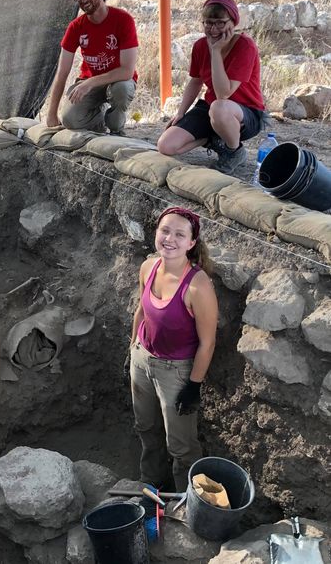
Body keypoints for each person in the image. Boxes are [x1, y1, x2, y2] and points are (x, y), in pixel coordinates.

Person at [128, 207, 218, 492]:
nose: (170, 239)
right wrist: (133, 347)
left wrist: (193, 386)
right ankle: (152, 484)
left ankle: (185, 499)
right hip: (142, 360)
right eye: (165, 231)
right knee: (146, 427)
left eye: (180, 234)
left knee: (181, 445)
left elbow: (207, 343)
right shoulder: (148, 267)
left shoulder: (197, 286)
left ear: (192, 243)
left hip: (176, 372)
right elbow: (141, 309)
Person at [157, 0, 267, 174]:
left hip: (245, 113)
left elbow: (224, 93)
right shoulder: (200, 45)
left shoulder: (245, 46)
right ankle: (212, 138)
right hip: (211, 108)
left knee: (219, 107)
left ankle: (234, 151)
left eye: (220, 23)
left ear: (233, 22)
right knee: (166, 146)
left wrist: (215, 51)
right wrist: (180, 113)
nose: (213, 29)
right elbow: (195, 81)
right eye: (208, 23)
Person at [45, 0, 138, 134]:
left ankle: (116, 126)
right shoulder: (75, 27)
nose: (83, 0)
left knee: (122, 90)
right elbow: (62, 72)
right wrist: (51, 114)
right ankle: (99, 121)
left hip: (117, 80)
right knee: (70, 119)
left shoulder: (123, 20)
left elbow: (127, 71)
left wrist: (91, 82)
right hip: (89, 83)